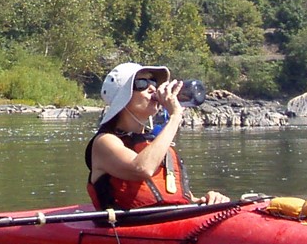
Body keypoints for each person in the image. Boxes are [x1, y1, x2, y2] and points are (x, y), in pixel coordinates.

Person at [85, 62, 229, 210]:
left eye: (153, 82)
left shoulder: (153, 143)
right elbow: (142, 168)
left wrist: (206, 199)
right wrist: (175, 116)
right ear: (122, 98)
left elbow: (176, 198)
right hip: (127, 227)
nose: (153, 88)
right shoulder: (105, 142)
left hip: (171, 223)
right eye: (142, 83)